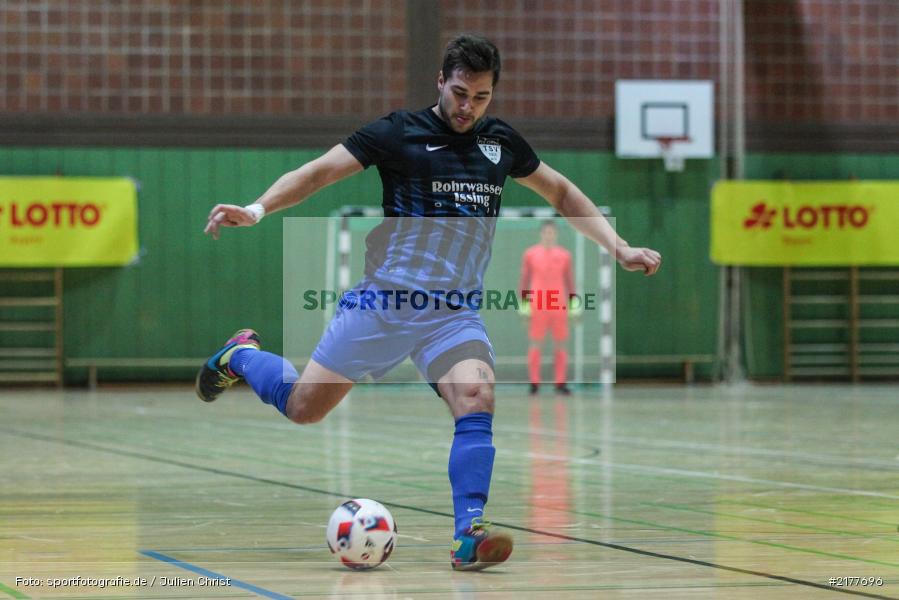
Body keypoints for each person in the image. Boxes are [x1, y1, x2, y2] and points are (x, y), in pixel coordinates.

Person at [198, 33, 661, 572]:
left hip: (453, 315)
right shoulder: (398, 132)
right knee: (304, 408)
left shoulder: (501, 143)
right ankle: (241, 356)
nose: (469, 107)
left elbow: (561, 191)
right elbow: (318, 172)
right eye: (460, 93)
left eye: (481, 97)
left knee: (477, 396)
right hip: (384, 303)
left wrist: (619, 246)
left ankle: (469, 533)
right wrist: (256, 209)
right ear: (441, 81)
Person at [519, 220, 576, 396]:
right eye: (546, 232)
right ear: (541, 234)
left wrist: (574, 307)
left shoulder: (565, 256)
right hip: (538, 304)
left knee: (561, 343)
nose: (548, 236)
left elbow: (570, 282)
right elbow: (524, 281)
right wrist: (524, 307)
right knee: (536, 342)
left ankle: (560, 383)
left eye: (552, 233)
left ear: (556, 234)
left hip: (559, 305)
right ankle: (534, 383)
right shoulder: (530, 254)